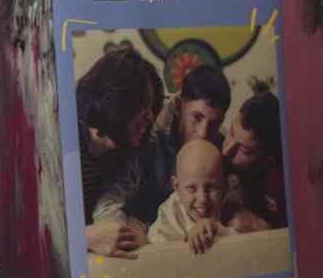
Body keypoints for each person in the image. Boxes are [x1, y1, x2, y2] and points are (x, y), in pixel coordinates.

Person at [94, 63, 231, 229]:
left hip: (186, 228)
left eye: (214, 123)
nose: (203, 133)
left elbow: (232, 188)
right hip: (138, 223)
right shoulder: (144, 131)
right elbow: (112, 193)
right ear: (179, 107)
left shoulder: (221, 142)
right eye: (196, 118)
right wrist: (116, 229)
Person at [74, 47, 163, 258]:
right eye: (144, 104)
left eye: (152, 108)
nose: (150, 117)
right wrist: (86, 236)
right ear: (117, 98)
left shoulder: (126, 157)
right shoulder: (60, 137)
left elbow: (109, 210)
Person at [146, 139, 235, 253]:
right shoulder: (165, 224)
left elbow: (249, 243)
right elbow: (158, 258)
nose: (202, 199)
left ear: (224, 184)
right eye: (192, 188)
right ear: (177, 187)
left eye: (211, 187)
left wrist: (218, 230)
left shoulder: (233, 199)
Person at [221, 91, 286, 232]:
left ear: (267, 161)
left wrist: (262, 227)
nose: (226, 151)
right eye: (231, 132)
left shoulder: (283, 184)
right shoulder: (217, 147)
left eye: (244, 150)